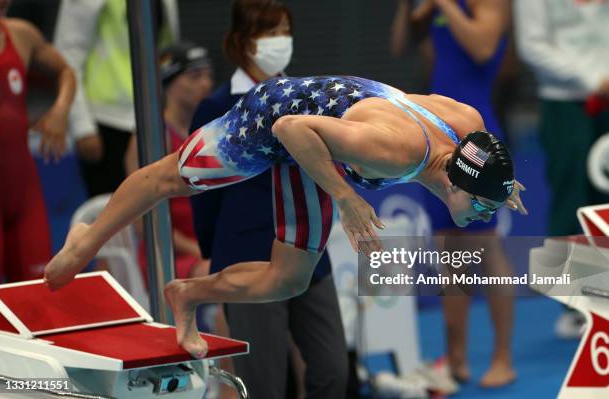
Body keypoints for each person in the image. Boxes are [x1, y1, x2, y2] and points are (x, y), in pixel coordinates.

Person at [44, 74, 527, 361]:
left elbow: (486, 163)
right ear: (459, 181)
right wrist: (345, 197)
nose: (483, 215)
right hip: (279, 116)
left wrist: (502, 188)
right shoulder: (395, 152)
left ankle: (187, 294)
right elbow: (290, 128)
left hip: (321, 141)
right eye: (482, 204)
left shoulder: (469, 130)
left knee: (289, 280)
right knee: (168, 180)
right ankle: (86, 240)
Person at [188, 1, 349, 397]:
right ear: (242, 41)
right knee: (264, 383)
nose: (279, 42)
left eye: (284, 31)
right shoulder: (214, 107)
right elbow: (201, 191)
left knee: (333, 369)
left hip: (309, 253)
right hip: (246, 255)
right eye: (268, 33)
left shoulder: (309, 98)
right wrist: (217, 255)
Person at [391, 0, 517, 388]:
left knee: (485, 246)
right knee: (450, 250)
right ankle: (456, 357)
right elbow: (401, 45)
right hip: (436, 131)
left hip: (474, 131)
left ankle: (502, 357)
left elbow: (482, 47)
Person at [514, 0, 609, 340]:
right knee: (572, 202)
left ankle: (605, 303)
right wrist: (590, 80)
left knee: (605, 205)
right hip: (565, 102)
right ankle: (574, 308)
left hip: (607, 100)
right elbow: (532, 46)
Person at [53, 0, 179, 197]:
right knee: (113, 216)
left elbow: (168, 51)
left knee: (157, 203)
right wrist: (81, 125)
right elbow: (67, 57)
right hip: (105, 123)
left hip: (153, 118)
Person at [0, 0, 75, 282]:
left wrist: (60, 111)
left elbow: (66, 71)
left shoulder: (21, 34)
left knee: (35, 294)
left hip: (22, 188)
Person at [125, 42, 213, 281]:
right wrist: (197, 249)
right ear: (170, 82)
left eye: (207, 76)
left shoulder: (210, 130)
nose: (205, 84)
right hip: (168, 254)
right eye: (195, 77)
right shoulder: (152, 138)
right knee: (226, 275)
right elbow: (144, 224)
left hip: (208, 246)